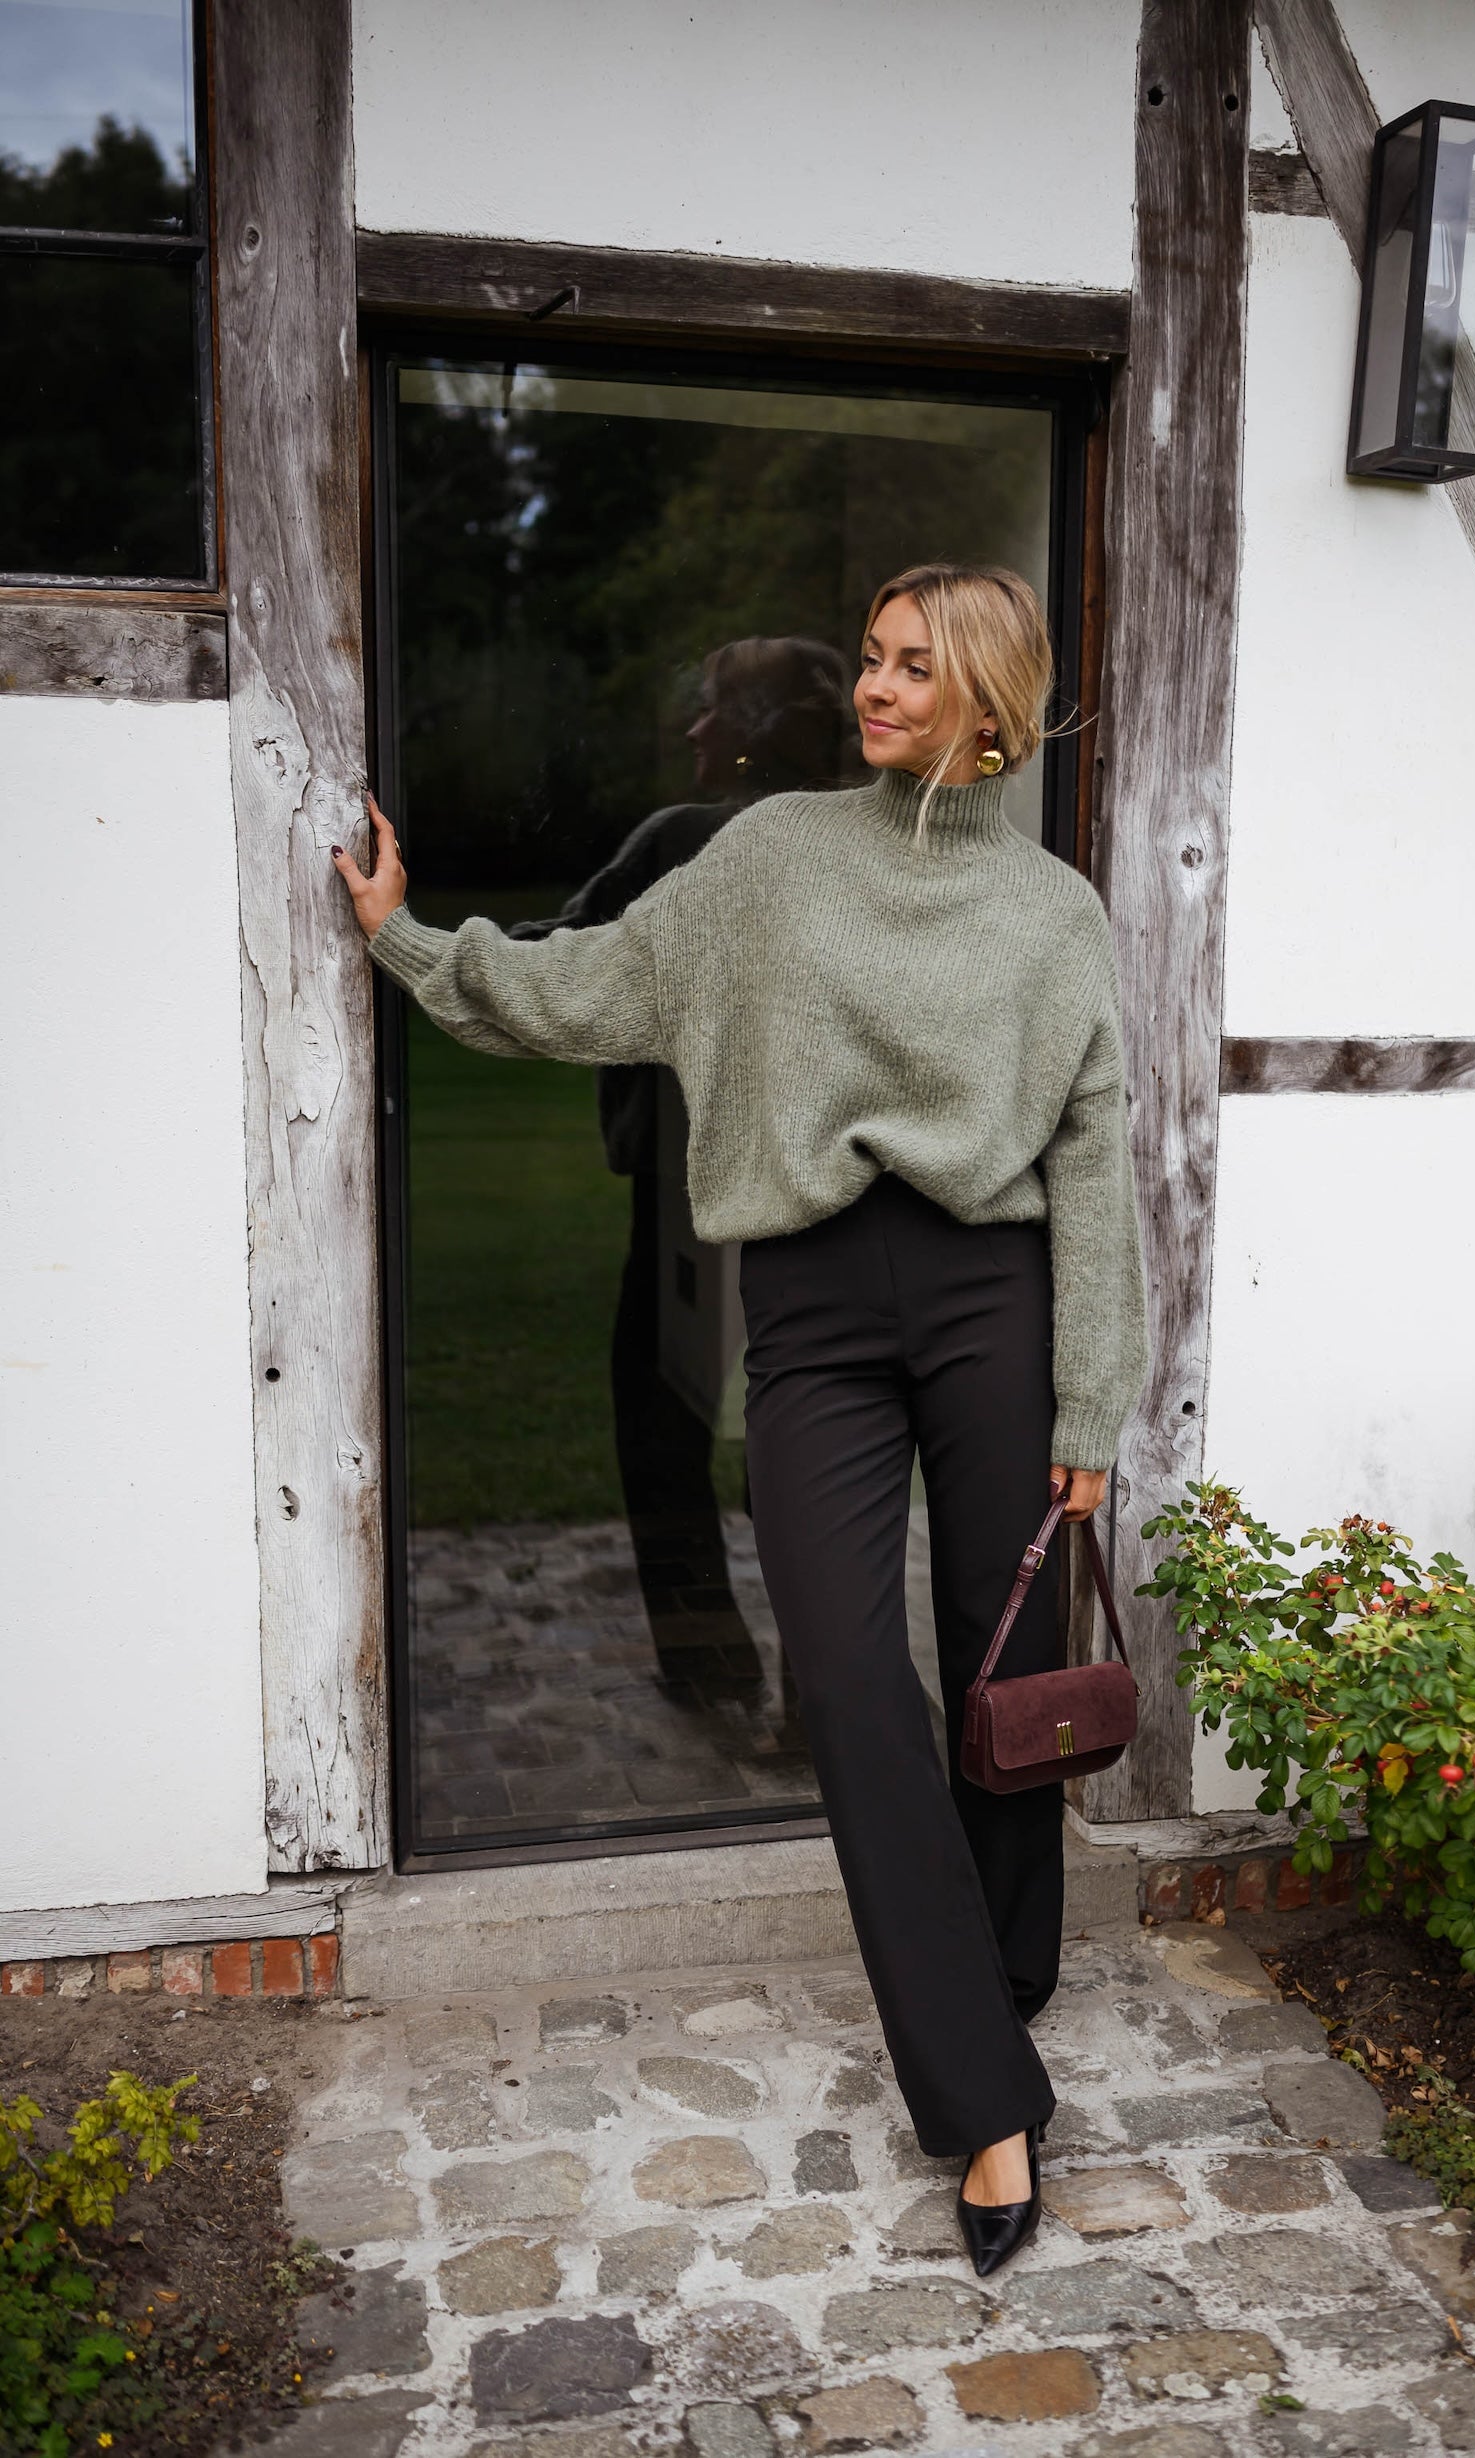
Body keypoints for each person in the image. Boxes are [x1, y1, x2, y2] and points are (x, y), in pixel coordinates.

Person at [336, 563, 1149, 2277]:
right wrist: (410, 941)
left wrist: (1091, 1392)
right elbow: (588, 991)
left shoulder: (1055, 915)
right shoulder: (767, 857)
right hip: (815, 1311)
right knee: (851, 1677)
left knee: (998, 1673)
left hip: (993, 1299)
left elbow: (1091, 1160)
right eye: (867, 658)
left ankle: (997, 1982)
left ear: (987, 705)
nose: (874, 688)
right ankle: (986, 2098)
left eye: (914, 668)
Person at [506, 637, 854, 1698]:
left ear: (753, 735)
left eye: (714, 711)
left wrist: (416, 940)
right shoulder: (859, 841)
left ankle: (708, 1664)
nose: (696, 730)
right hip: (826, 1189)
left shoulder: (685, 840)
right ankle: (825, 1685)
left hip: (688, 1193)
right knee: (807, 1436)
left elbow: (558, 967)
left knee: (663, 1421)